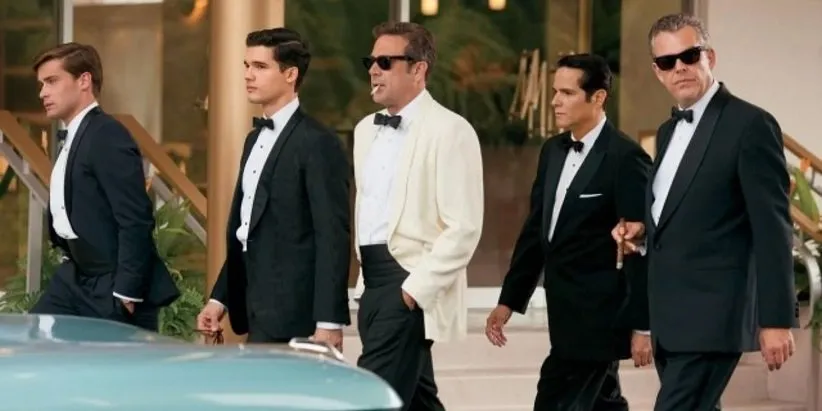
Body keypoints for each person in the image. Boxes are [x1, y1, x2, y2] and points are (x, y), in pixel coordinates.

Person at [612, 13, 797, 410]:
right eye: (667, 62)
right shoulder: (666, 132)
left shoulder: (751, 125)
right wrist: (642, 233)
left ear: (709, 57)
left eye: (689, 56)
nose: (679, 67)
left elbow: (773, 228)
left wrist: (776, 319)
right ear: (658, 72)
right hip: (670, 322)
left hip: (714, 319)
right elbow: (680, 215)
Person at [485, 54, 652, 411]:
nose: (555, 101)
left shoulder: (626, 158)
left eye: (567, 93)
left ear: (598, 97)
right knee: (604, 402)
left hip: (599, 318)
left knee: (554, 399)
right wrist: (509, 300)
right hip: (563, 313)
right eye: (554, 91)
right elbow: (537, 232)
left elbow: (640, 249)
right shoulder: (553, 151)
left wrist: (643, 325)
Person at [352, 21, 484, 411]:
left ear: (418, 69)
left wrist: (413, 291)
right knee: (418, 401)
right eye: (370, 61)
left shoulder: (451, 130)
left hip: (407, 282)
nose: (373, 70)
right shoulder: (365, 131)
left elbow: (464, 227)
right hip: (371, 284)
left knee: (368, 398)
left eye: (385, 62)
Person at [196, 28, 351, 347]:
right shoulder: (253, 140)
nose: (248, 75)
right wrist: (219, 299)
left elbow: (332, 236)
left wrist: (329, 321)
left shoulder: (317, 143)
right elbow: (247, 233)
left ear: (290, 74)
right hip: (255, 310)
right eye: (246, 65)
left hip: (297, 318)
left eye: (260, 66)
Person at [29, 42, 179, 331]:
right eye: (41, 84)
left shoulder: (107, 133)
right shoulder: (76, 135)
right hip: (74, 277)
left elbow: (135, 217)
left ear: (84, 80)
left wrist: (126, 291)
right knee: (32, 340)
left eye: (52, 81)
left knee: (113, 362)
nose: (42, 93)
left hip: (112, 283)